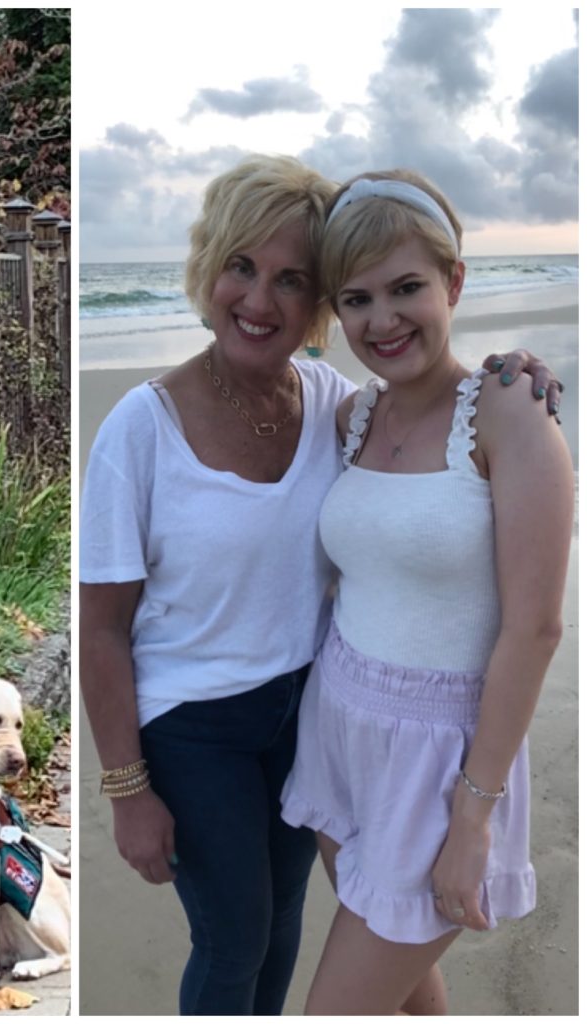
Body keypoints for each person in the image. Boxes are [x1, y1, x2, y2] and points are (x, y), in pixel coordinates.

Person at [78, 155, 560, 1016]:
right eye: (241, 267)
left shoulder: (340, 403)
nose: (261, 301)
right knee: (243, 943)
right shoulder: (156, 428)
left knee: (311, 946)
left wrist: (513, 369)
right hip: (227, 728)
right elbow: (102, 625)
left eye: (293, 280)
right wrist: (126, 788)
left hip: (340, 721)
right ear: (207, 268)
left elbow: (525, 609)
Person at [280, 170, 573, 1015]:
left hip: (446, 759)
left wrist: (472, 819)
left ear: (454, 280)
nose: (383, 320)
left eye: (407, 287)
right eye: (357, 298)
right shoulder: (352, 416)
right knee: (407, 993)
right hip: (341, 725)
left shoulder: (511, 409)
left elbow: (536, 630)